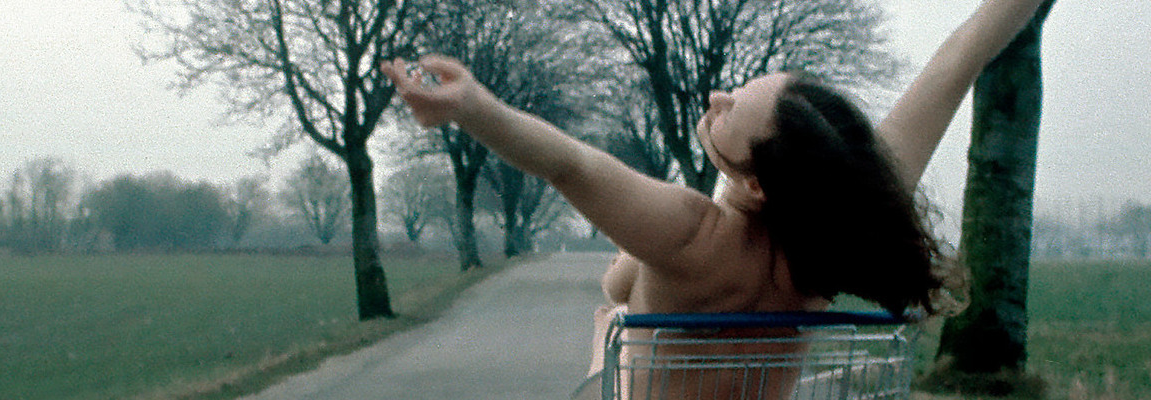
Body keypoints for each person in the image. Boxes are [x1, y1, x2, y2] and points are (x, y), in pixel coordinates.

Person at [382, 0, 1052, 397]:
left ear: (760, 183)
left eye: (731, 108)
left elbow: (571, 166)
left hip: (633, 382)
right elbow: (960, 57)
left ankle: (606, 330)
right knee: (619, 290)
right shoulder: (834, 233)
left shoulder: (691, 234)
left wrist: (472, 107)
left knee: (614, 305)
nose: (715, 98)